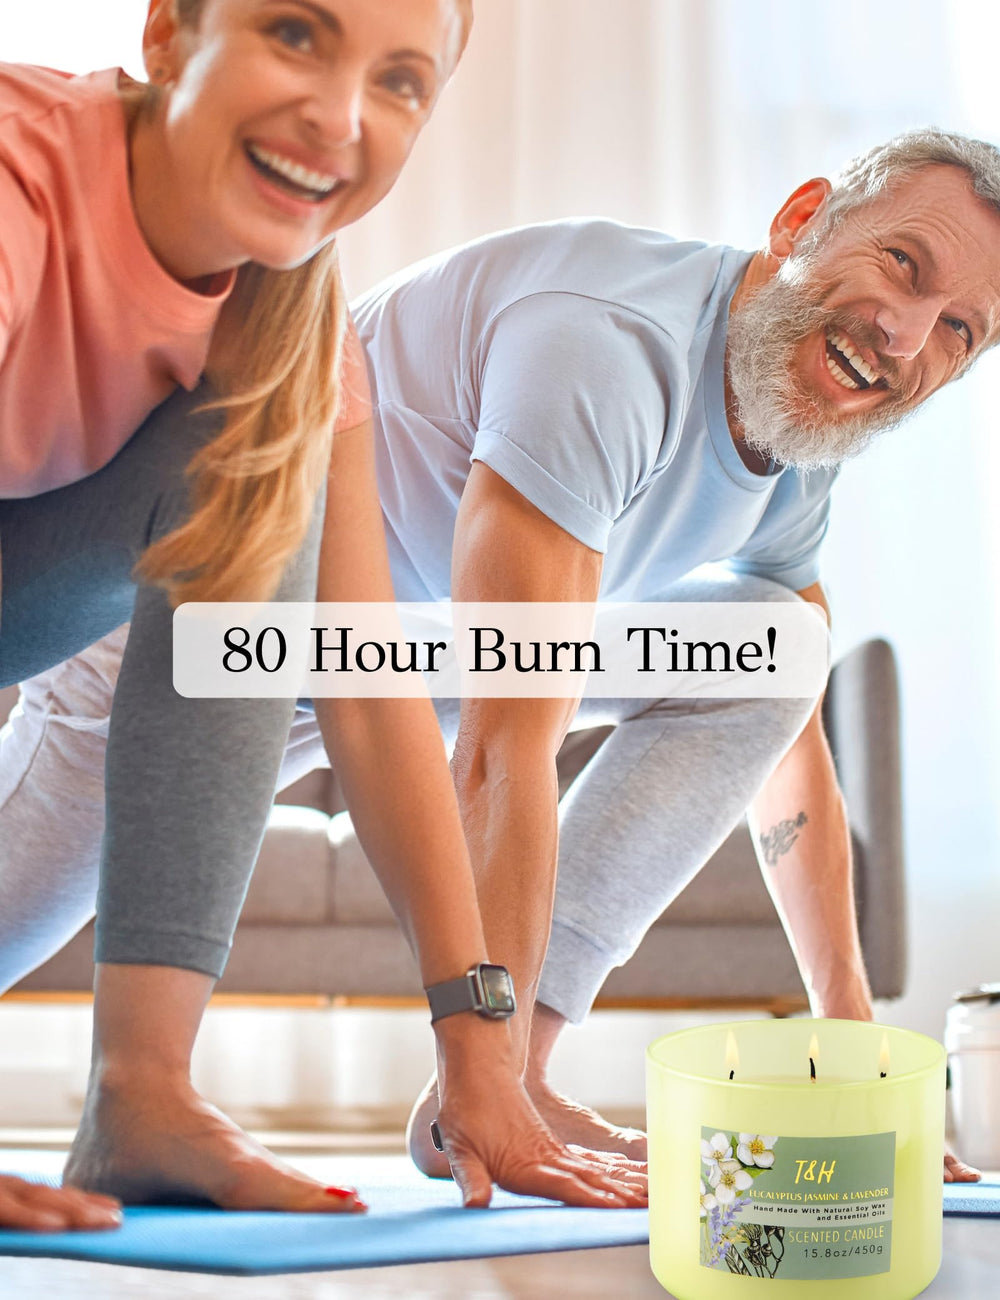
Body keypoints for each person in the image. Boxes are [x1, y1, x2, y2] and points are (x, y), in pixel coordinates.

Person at [5, 126, 996, 1205]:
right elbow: (502, 741)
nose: (905, 336)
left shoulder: (797, 446)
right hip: (198, 631)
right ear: (802, 219)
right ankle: (490, 1083)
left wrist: (848, 1047)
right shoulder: (607, 346)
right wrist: (470, 1063)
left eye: (959, 330)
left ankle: (517, 1074)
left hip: (384, 647)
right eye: (903, 265)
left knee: (775, 650)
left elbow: (787, 732)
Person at [0, 0, 647, 1235]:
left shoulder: (287, 307)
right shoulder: (22, 178)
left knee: (257, 467)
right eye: (296, 34)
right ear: (169, 35)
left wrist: (480, 1051)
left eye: (400, 83)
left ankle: (143, 1090)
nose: (341, 116)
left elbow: (363, 673)